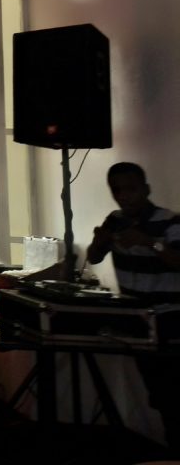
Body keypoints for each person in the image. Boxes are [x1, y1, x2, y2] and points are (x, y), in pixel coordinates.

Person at [87, 161, 180, 453]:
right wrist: (99, 242)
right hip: (137, 320)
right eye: (117, 190)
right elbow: (94, 257)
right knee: (159, 394)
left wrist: (150, 243)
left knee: (174, 397)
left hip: (170, 320)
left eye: (131, 189)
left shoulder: (170, 221)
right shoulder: (114, 220)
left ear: (146, 189)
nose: (124, 196)